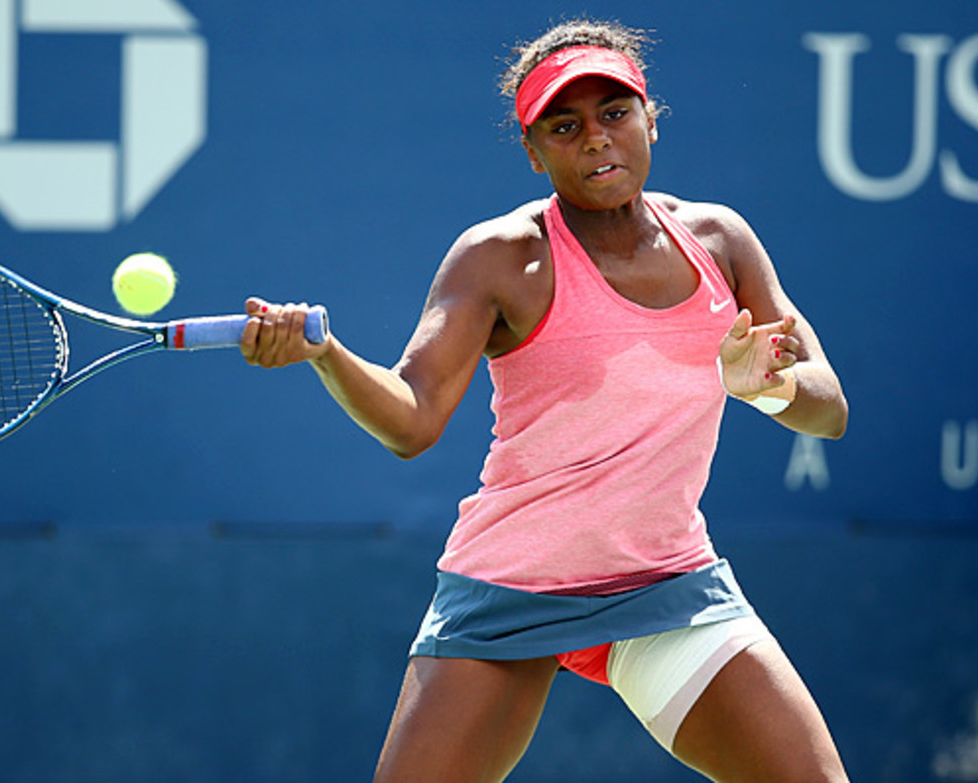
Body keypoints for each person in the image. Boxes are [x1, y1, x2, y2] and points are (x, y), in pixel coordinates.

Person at [239, 17, 850, 783]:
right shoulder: (499, 258)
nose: (596, 138)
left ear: (651, 118)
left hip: (667, 583)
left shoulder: (720, 241)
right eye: (565, 126)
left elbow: (829, 409)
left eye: (615, 113)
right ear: (533, 151)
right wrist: (323, 353)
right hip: (511, 587)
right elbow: (413, 420)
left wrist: (770, 387)